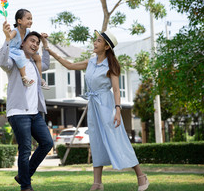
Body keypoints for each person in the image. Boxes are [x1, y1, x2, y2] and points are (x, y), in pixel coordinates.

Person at [45, 30, 149, 191]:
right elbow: (70, 65)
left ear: (107, 46)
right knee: (96, 142)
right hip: (93, 105)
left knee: (118, 140)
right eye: (96, 40)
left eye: (99, 41)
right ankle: (97, 183)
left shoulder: (112, 65)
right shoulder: (91, 62)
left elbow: (115, 90)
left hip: (108, 105)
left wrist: (118, 110)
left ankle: (141, 176)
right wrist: (49, 49)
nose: (95, 43)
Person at [0, 21, 54, 191]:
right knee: (25, 149)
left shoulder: (34, 65)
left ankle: (23, 175)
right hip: (18, 112)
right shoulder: (15, 61)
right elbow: (2, 61)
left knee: (47, 143)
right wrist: (7, 39)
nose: (35, 44)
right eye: (32, 41)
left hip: (34, 112)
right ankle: (26, 186)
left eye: (36, 43)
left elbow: (46, 63)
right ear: (22, 43)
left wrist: (45, 44)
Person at [9, 8, 49, 89]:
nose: (31, 21)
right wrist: (7, 33)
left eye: (31, 19)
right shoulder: (15, 31)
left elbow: (32, 39)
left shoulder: (27, 31)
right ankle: (24, 77)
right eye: (28, 18)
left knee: (37, 57)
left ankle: (40, 78)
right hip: (13, 50)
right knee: (21, 55)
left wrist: (42, 37)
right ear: (19, 21)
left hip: (20, 50)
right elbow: (9, 37)